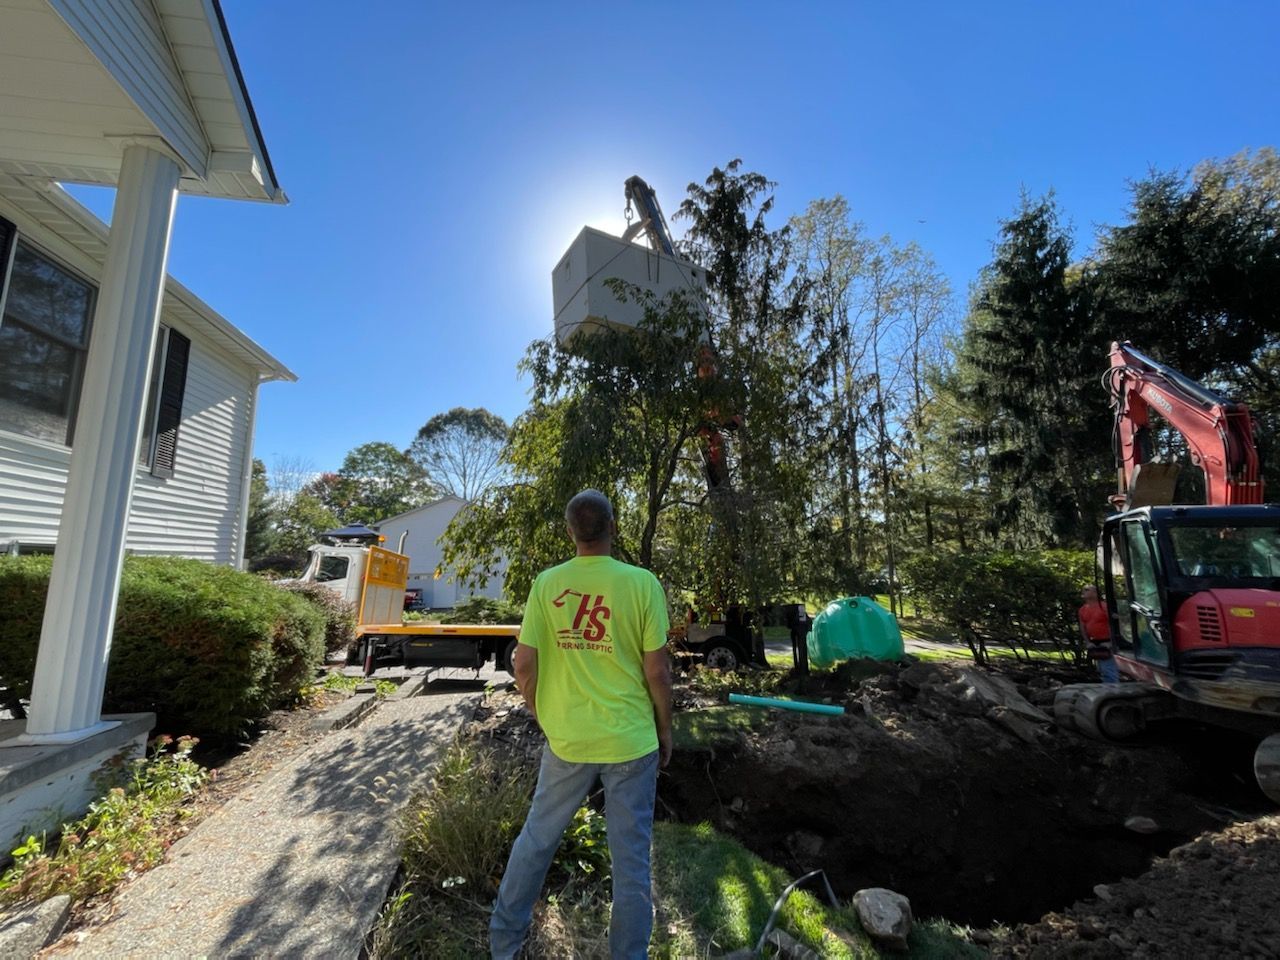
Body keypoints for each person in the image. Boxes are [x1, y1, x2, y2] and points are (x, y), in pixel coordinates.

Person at [490, 489, 673, 960]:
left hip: (567, 741)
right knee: (630, 862)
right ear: (613, 528)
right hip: (632, 742)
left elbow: (523, 665)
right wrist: (664, 731)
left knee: (537, 839)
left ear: (571, 532)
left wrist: (542, 713)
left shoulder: (547, 584)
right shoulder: (642, 583)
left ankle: (503, 943)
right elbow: (657, 672)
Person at [1077, 585, 1119, 683]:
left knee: (1108, 669)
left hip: (1107, 642)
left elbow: (1115, 624)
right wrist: (1087, 642)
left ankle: (1112, 691)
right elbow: (1083, 627)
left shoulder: (1104, 606)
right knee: (1102, 669)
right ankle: (1108, 688)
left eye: (1087, 590)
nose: (1084, 591)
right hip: (1095, 643)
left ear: (1095, 593)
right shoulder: (1082, 609)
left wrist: (1111, 642)